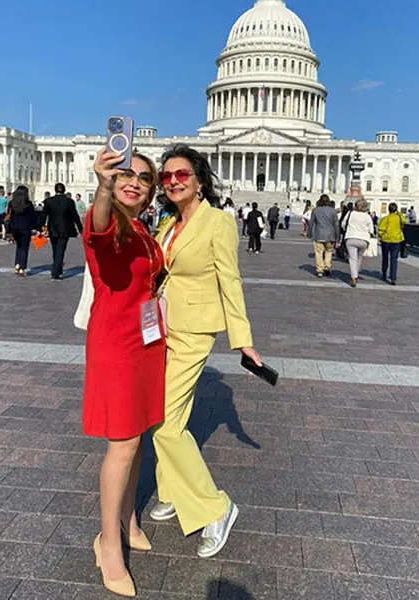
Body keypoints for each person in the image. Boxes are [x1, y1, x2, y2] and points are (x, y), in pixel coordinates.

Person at [150, 143, 262, 559]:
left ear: (199, 180)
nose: (174, 182)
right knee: (163, 414)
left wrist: (242, 339)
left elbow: (229, 281)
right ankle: (172, 490)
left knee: (166, 423)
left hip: (194, 329)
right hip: (161, 326)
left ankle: (215, 507)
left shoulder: (218, 221)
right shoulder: (168, 223)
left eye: (181, 175)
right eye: (167, 176)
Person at [84, 148, 166, 598]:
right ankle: (107, 542)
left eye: (144, 178)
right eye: (125, 174)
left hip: (146, 342)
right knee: (124, 442)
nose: (134, 181)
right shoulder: (109, 222)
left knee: (140, 435)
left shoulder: (141, 227)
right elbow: (97, 228)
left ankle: (129, 517)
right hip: (116, 341)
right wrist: (100, 184)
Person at [42, 182, 84, 281]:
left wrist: (41, 227)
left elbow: (44, 215)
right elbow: (75, 216)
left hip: (52, 228)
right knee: (60, 250)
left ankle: (58, 269)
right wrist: (80, 228)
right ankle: (55, 273)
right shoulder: (69, 201)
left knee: (55, 250)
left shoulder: (49, 201)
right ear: (64, 190)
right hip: (65, 229)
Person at [342, 199, 375, 288]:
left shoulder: (350, 213)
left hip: (351, 238)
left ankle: (354, 277)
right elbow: (371, 230)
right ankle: (355, 274)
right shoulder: (367, 216)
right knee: (359, 258)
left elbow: (343, 224)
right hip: (363, 239)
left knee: (352, 259)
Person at [5, 186, 38, 276]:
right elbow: (33, 217)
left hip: (14, 227)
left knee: (19, 246)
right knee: (24, 247)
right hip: (25, 228)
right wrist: (36, 227)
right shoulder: (28, 204)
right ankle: (22, 267)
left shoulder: (12, 203)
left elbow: (9, 214)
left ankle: (17, 264)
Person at [308, 195, 340, 278]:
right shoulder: (333, 211)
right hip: (330, 235)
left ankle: (320, 270)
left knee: (319, 253)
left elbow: (311, 222)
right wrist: (337, 236)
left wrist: (309, 233)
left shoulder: (316, 210)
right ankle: (327, 267)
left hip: (319, 234)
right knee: (329, 252)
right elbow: (336, 224)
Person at [377, 202, 406, 285]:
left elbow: (380, 229)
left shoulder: (385, 218)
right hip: (396, 240)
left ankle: (384, 274)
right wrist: (399, 213)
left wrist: (382, 236)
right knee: (394, 259)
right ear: (396, 209)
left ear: (388, 209)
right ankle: (393, 277)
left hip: (386, 240)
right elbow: (404, 220)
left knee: (385, 257)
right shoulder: (399, 218)